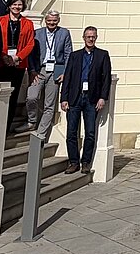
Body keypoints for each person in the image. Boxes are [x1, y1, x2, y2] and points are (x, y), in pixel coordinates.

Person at [60, 26, 112, 175]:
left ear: (96, 38)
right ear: (83, 38)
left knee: (90, 132)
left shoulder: (102, 55)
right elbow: (68, 77)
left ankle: (86, 162)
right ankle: (73, 162)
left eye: (93, 36)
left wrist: (103, 97)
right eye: (88, 36)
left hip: (91, 99)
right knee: (71, 132)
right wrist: (64, 98)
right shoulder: (75, 56)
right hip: (75, 98)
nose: (91, 39)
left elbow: (106, 79)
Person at [28, 10, 72, 135]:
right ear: (45, 20)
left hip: (56, 69)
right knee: (31, 97)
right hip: (39, 69)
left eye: (54, 21)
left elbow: (68, 54)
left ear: (58, 21)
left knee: (49, 104)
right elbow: (31, 54)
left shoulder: (64, 33)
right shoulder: (37, 33)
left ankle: (41, 132)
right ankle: (32, 120)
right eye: (49, 21)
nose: (51, 23)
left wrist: (65, 72)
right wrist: (32, 70)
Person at [0, 0, 35, 132]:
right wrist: (4, 57)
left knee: (13, 96)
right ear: (9, 5)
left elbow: (30, 44)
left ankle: (6, 128)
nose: (16, 7)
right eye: (14, 4)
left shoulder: (28, 23)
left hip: (18, 65)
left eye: (19, 5)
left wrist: (18, 57)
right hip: (1, 63)